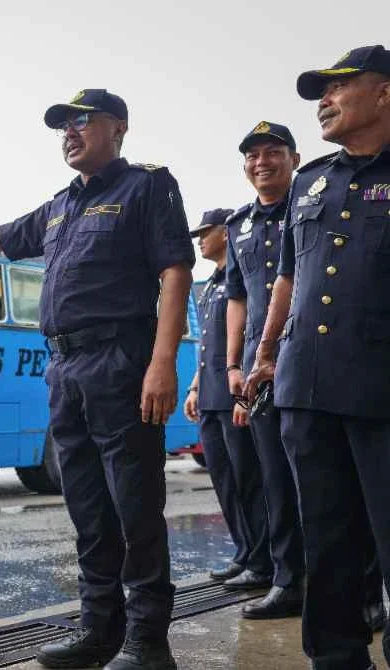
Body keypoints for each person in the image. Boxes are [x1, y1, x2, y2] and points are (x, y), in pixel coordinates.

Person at [0, 88, 194, 670]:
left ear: (119, 128)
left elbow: (175, 272)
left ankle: (148, 642)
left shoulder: (147, 187)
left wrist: (163, 363)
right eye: (63, 127)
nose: (70, 134)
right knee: (86, 507)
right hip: (65, 368)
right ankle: (99, 631)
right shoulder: (59, 206)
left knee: (134, 506)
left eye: (82, 122)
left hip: (121, 363)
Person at [245, 44, 390, 669]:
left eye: (337, 87)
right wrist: (266, 353)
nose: (324, 102)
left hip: (382, 391)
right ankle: (335, 659)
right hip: (306, 386)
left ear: (383, 92)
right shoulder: (312, 180)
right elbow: (287, 281)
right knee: (327, 542)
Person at [222, 121, 306, 618]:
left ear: (294, 158)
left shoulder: (314, 203)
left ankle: (359, 593)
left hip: (311, 355)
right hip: (259, 368)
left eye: (272, 152)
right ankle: (288, 579)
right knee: (273, 476)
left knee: (327, 476)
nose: (262, 162)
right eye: (252, 156)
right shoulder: (238, 226)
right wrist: (235, 363)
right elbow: (236, 297)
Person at [183, 208, 269, 587]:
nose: (201, 239)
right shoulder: (208, 286)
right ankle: (243, 552)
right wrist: (194, 387)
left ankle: (263, 560)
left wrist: (245, 395)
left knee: (249, 479)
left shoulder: (242, 281)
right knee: (224, 479)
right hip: (210, 397)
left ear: (226, 232)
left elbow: (248, 335)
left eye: (206, 232)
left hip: (234, 394)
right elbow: (207, 345)